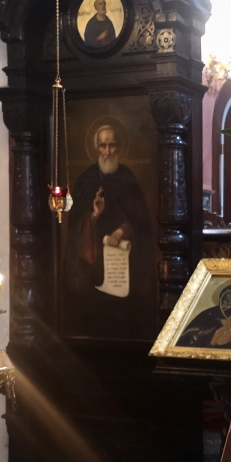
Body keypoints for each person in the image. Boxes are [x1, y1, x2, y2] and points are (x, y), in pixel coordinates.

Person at [64, 124, 157, 339]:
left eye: (112, 145)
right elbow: (75, 232)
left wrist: (123, 230)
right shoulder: (86, 180)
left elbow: (142, 224)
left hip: (125, 271)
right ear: (96, 148)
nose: (107, 152)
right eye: (102, 146)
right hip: (94, 274)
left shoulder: (128, 179)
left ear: (118, 147)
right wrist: (94, 216)